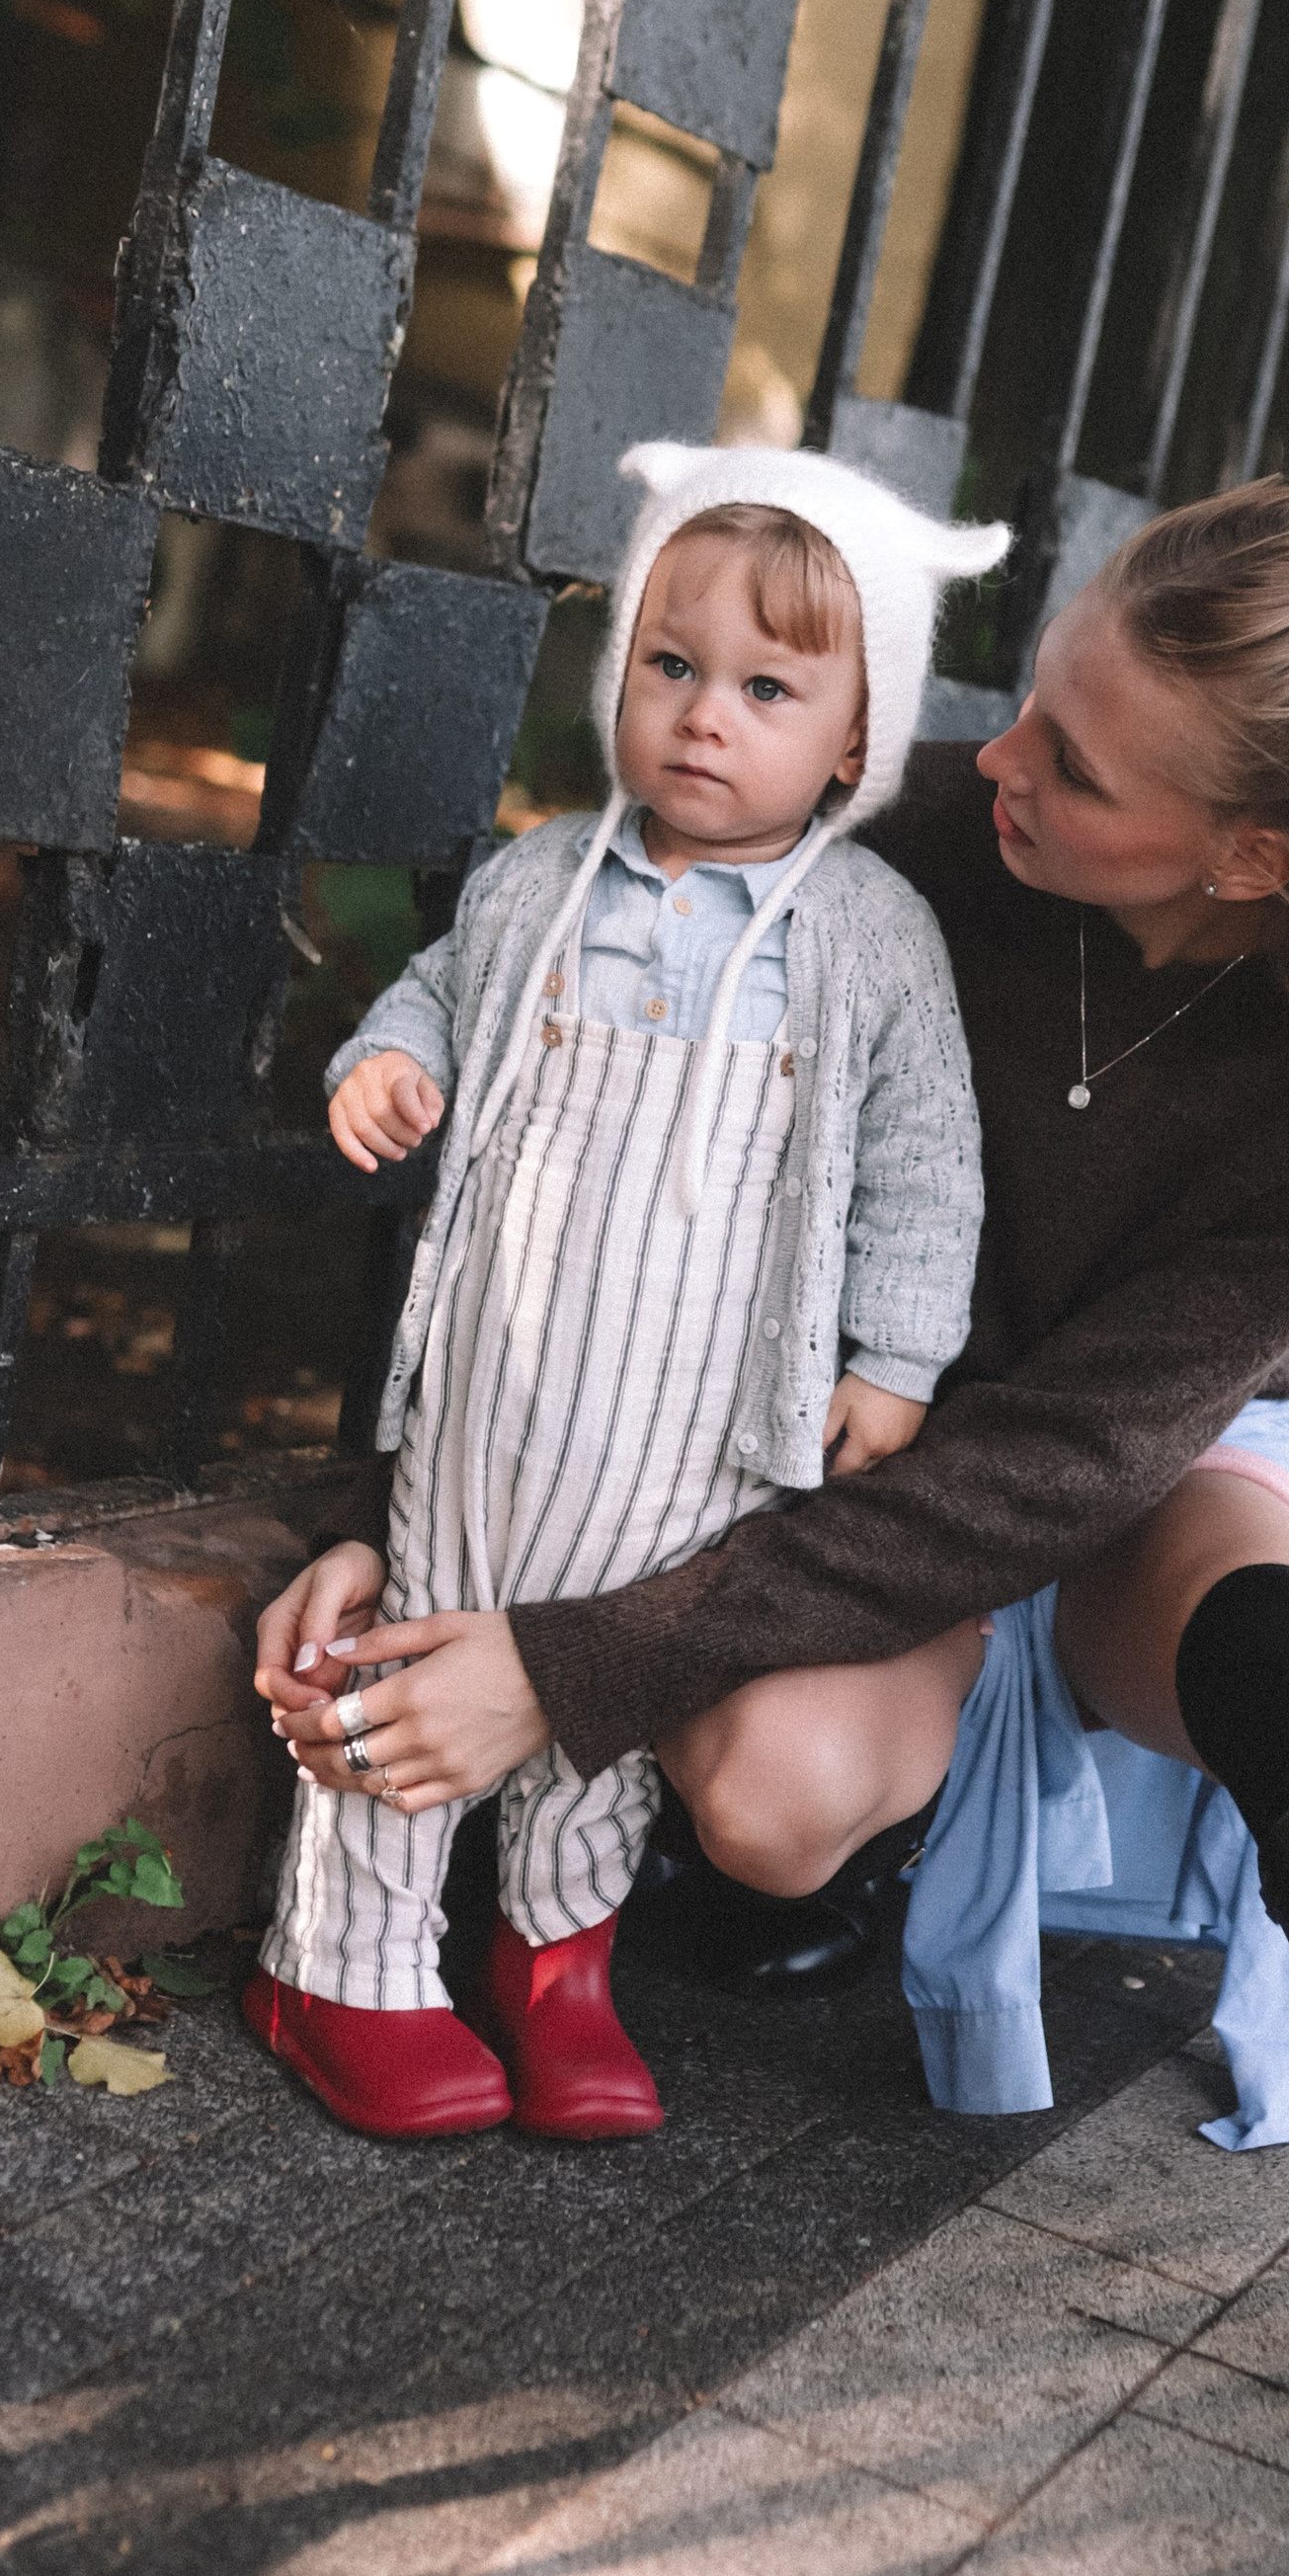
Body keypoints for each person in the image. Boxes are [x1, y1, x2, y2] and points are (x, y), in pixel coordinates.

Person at [260, 472, 1289, 2576]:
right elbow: (545, 1143)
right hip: (835, 1434)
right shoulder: (915, 829)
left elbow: (1050, 1477)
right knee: (756, 1809)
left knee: (1277, 1665)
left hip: (1119, 1454)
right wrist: (405, 1527)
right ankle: (864, 1870)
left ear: (1249, 858)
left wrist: (571, 1659)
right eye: (1027, 708)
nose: (991, 768)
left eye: (1073, 762)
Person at [243, 441, 999, 2145]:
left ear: (855, 741)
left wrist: (894, 1359)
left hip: (704, 1400)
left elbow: (924, 1164)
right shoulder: (543, 881)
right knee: (432, 1626)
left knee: (609, 1683)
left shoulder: (871, 936)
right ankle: (339, 1962)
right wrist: (388, 1061)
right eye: (671, 665)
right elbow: (437, 990)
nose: (702, 717)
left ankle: (556, 1963)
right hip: (500, 1373)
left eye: (766, 686)